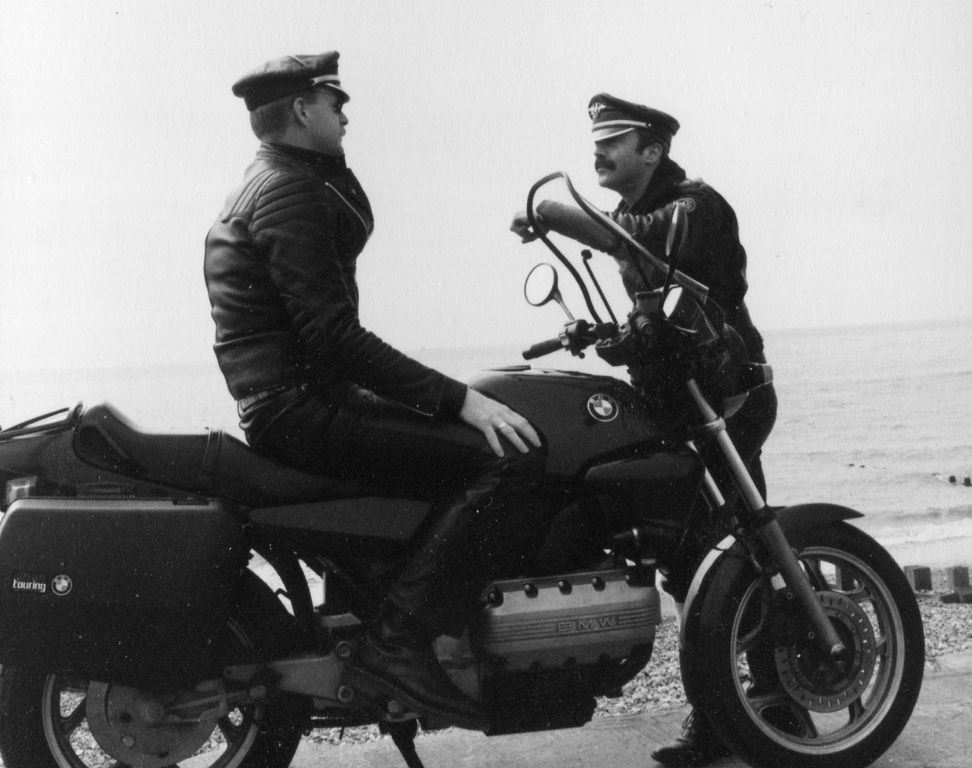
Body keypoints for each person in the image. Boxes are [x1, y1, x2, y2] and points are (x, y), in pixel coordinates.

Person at [205, 51, 548, 730]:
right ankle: (401, 643)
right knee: (506, 455)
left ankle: (390, 623)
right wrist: (460, 399)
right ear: (302, 109)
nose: (346, 113)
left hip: (294, 403)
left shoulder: (277, 181)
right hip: (303, 409)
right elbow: (334, 337)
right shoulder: (288, 193)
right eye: (335, 102)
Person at [510, 94, 777, 767]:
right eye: (596, 141)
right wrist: (613, 333)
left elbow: (647, 244)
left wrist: (553, 213)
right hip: (676, 405)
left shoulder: (693, 205)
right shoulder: (638, 215)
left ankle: (767, 704)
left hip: (726, 404)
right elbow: (656, 306)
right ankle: (729, 717)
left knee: (737, 559)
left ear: (652, 150)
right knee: (692, 567)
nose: (598, 152)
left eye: (614, 141)